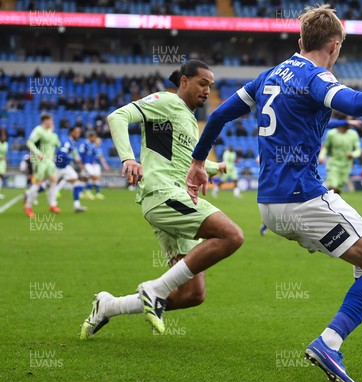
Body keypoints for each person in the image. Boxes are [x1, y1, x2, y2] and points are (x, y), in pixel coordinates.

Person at [185, 5, 362, 382]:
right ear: (334, 46)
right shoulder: (316, 77)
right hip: (304, 198)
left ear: (300, 41)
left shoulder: (269, 76)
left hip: (270, 205)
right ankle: (330, 343)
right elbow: (350, 103)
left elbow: (217, 116)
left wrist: (198, 162)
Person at [79, 60, 242, 339]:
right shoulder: (166, 101)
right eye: (202, 83)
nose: (207, 90)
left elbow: (180, 159)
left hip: (175, 197)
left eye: (211, 86)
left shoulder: (188, 118)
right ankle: (154, 289)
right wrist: (128, 157)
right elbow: (117, 117)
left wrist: (212, 168)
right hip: (164, 194)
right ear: (184, 81)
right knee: (232, 236)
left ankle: (109, 306)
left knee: (193, 294)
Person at [24, 113, 61, 217]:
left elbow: (57, 144)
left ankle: (53, 204)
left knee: (54, 180)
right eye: (50, 120)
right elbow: (29, 142)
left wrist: (52, 132)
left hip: (49, 161)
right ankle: (28, 205)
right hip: (40, 161)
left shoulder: (50, 132)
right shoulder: (38, 130)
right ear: (45, 120)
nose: (52, 122)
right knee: (38, 182)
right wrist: (38, 153)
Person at [318, 120, 360, 194]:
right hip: (333, 163)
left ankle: (333, 203)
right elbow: (326, 147)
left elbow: (358, 150)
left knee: (339, 187)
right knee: (333, 186)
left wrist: (353, 154)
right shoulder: (331, 134)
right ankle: (330, 202)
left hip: (346, 165)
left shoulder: (353, 134)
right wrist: (321, 157)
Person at [55, 126, 87, 212]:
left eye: (79, 132)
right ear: (72, 132)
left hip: (65, 166)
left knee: (76, 183)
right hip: (58, 166)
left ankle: (77, 206)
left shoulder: (72, 143)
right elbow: (62, 154)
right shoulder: (66, 142)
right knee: (47, 185)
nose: (78, 134)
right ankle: (29, 194)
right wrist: (72, 159)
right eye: (77, 132)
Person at [79, 132, 109, 200]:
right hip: (86, 163)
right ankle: (87, 192)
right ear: (90, 137)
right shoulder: (85, 144)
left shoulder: (92, 145)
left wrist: (94, 162)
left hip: (91, 164)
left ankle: (87, 192)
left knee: (86, 178)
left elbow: (94, 156)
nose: (95, 139)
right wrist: (81, 164)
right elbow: (81, 154)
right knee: (91, 176)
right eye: (94, 138)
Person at [0, 131, 7, 199]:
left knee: (1, 176)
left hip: (2, 162)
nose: (4, 137)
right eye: (2, 136)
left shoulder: (6, 144)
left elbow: (5, 154)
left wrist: (6, 163)